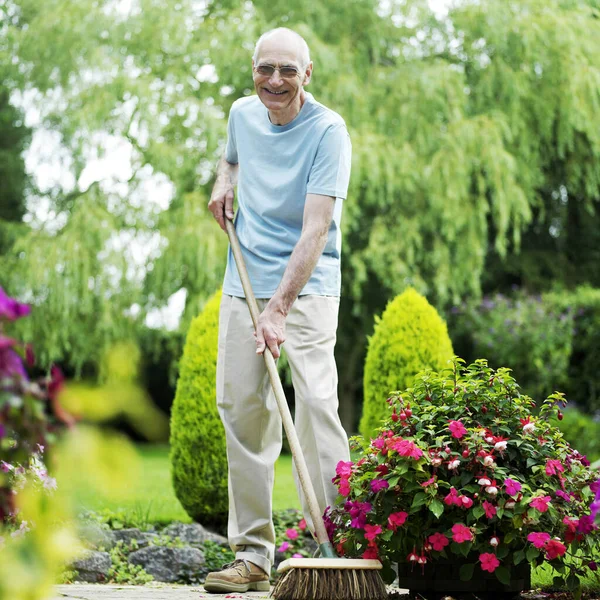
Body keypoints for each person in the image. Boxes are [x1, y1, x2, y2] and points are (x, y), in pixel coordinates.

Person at [204, 27, 352, 594]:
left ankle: (339, 543)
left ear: (307, 74)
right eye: (266, 68)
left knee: (315, 405)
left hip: (308, 287)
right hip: (244, 281)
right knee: (241, 407)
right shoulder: (242, 112)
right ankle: (252, 555)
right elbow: (233, 158)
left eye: (288, 70)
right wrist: (224, 183)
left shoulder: (328, 132)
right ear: (253, 69)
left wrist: (280, 309)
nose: (275, 80)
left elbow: (316, 227)